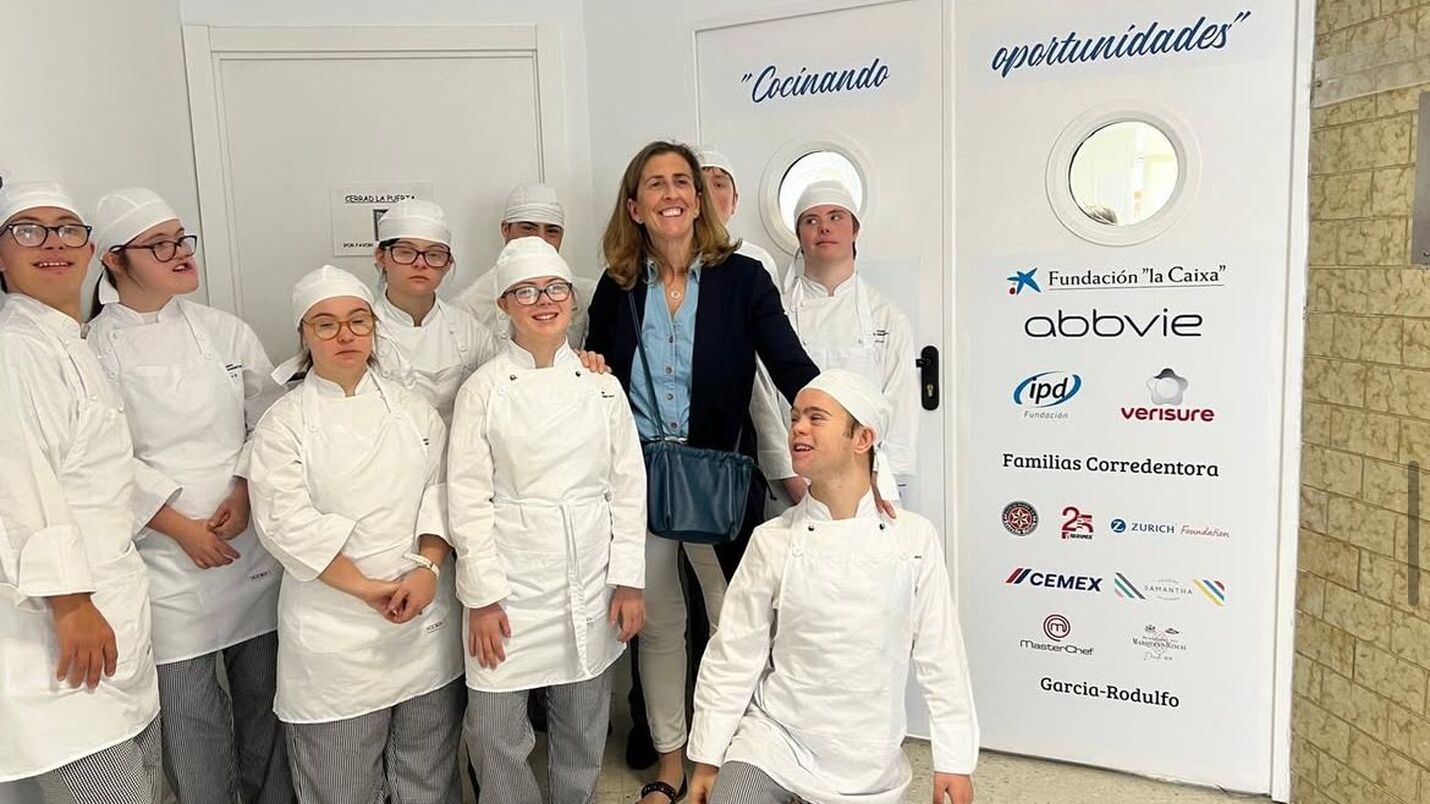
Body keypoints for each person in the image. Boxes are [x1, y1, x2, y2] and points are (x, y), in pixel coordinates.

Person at [584, 141, 819, 804]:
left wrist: (840, 425)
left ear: (698, 199)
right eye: (655, 183)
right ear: (635, 205)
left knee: (732, 622)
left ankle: (729, 758)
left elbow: (790, 364)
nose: (671, 193)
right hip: (636, 477)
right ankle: (670, 762)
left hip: (718, 478)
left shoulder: (743, 279)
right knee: (659, 625)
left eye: (681, 181)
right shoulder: (616, 285)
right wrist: (587, 367)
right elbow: (594, 374)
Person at [87, 188, 292, 803]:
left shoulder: (224, 331)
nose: (180, 253)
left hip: (246, 545)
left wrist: (245, 486)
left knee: (266, 700)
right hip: (164, 558)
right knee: (189, 714)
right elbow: (101, 458)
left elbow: (271, 420)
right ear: (114, 259)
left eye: (181, 239)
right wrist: (180, 527)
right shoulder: (92, 349)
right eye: (159, 245)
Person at [688, 370, 978, 804]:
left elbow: (941, 656)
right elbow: (734, 654)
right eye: (794, 418)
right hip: (774, 743)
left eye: (816, 418)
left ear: (862, 438)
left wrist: (954, 760)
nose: (798, 428)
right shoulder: (773, 540)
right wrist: (709, 758)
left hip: (867, 763)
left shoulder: (913, 540)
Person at [249, 266, 464, 804]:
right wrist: (369, 589)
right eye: (326, 324)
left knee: (427, 780)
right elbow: (284, 523)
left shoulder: (413, 409)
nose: (345, 335)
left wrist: (427, 569)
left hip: (422, 623)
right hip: (334, 637)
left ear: (373, 328)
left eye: (357, 321)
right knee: (341, 787)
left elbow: (441, 492)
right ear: (304, 334)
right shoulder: (283, 423)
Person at [448, 237, 646, 803]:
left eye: (556, 288)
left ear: (572, 300)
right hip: (509, 585)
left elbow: (628, 489)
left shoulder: (602, 386)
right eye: (527, 292)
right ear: (504, 304)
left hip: (590, 575)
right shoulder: (482, 390)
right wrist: (482, 598)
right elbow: (467, 498)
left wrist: (629, 581)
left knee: (583, 724)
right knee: (495, 732)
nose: (545, 301)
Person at [0, 181, 163, 801]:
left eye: (68, 229)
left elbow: (98, 472)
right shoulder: (15, 350)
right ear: (1, 255)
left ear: (90, 249)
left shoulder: (69, 342)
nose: (53, 244)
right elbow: (18, 481)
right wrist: (70, 603)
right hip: (61, 631)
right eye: (28, 230)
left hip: (110, 609)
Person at [754, 180, 919, 502]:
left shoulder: (888, 317)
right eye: (811, 220)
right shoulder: (773, 314)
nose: (824, 228)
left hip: (869, 486)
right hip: (795, 485)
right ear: (799, 236)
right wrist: (792, 478)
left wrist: (878, 479)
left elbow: (901, 405)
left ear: (855, 230)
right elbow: (763, 402)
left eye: (835, 217)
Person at [693, 146, 806, 511]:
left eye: (719, 183)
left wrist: (782, 458)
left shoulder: (752, 263)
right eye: (699, 183)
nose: (710, 193)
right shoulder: (659, 266)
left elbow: (769, 371)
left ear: (735, 200)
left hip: (745, 434)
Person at [369, 198, 500, 425]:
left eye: (434, 254)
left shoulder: (470, 331)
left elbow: (501, 395)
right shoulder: (360, 331)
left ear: (447, 264)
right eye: (406, 252)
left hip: (457, 447)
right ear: (381, 257)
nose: (420, 264)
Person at [453, 183, 597, 348]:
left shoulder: (587, 295)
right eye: (528, 228)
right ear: (505, 229)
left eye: (552, 231)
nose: (540, 239)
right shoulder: (469, 307)